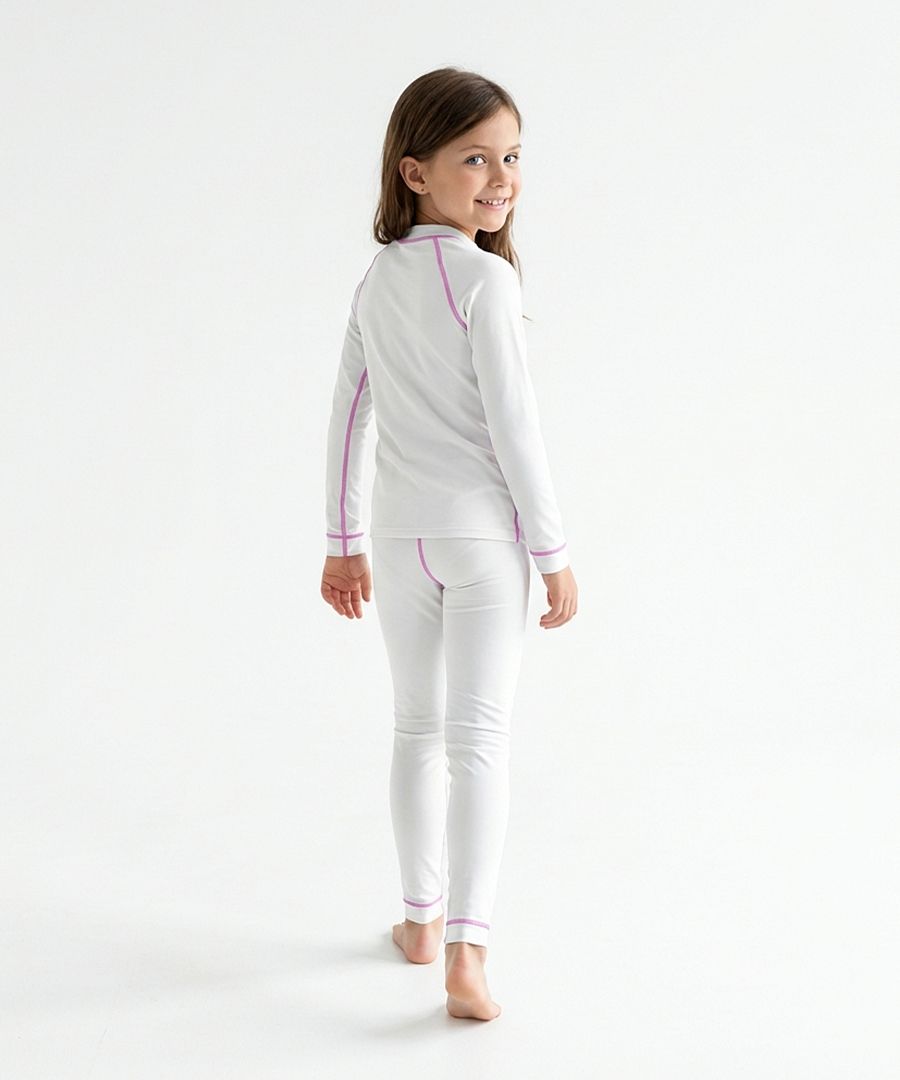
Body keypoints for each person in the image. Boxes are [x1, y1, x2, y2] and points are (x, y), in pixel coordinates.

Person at [320, 67, 578, 1021]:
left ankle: (420, 922)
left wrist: (343, 543)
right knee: (478, 742)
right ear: (415, 170)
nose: (501, 178)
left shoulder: (375, 281)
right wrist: (552, 552)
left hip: (399, 539)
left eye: (511, 157)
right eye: (476, 159)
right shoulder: (485, 279)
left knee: (415, 730)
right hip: (481, 544)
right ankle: (467, 952)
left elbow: (348, 416)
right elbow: (516, 428)